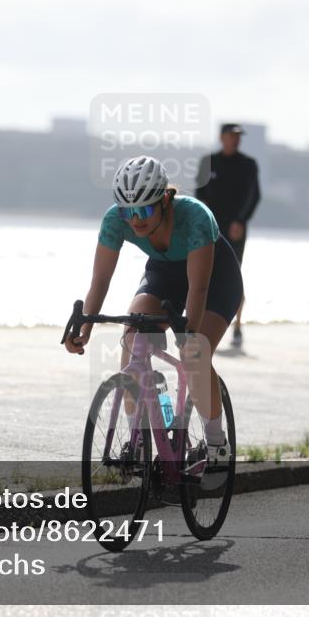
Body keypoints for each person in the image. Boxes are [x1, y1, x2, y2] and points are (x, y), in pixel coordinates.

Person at [63, 155, 243, 467]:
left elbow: (197, 289)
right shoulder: (115, 220)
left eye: (144, 209)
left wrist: (189, 339)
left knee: (195, 355)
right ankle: (139, 440)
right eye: (127, 211)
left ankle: (217, 445)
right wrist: (85, 328)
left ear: (165, 200)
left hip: (215, 281)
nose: (135, 219)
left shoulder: (195, 217)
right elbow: (101, 279)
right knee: (133, 334)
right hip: (164, 274)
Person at [195, 123, 261, 347]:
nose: (236, 139)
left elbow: (254, 196)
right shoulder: (208, 162)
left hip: (235, 229)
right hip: (210, 228)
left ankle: (238, 326)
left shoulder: (248, 165)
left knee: (234, 275)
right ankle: (200, 323)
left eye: (238, 136)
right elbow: (199, 195)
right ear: (222, 137)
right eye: (232, 135)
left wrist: (240, 221)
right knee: (205, 274)